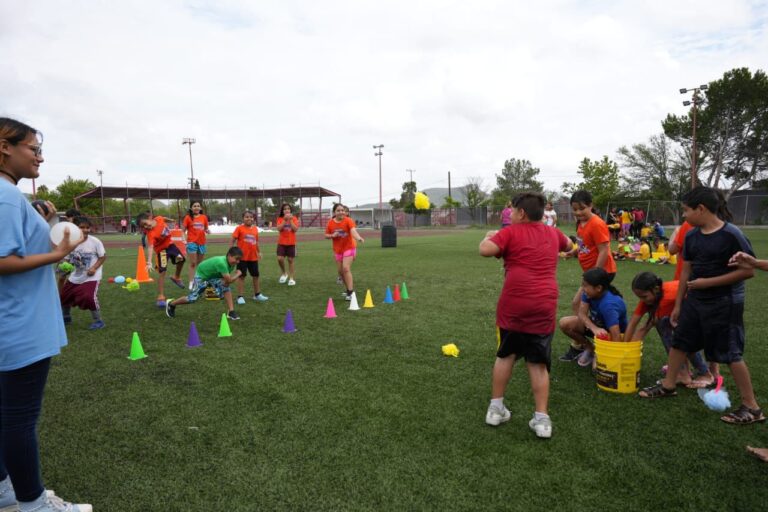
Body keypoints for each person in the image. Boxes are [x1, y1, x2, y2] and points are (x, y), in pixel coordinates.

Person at [0, 117, 92, 511]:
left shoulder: (10, 197)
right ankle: (34, 506)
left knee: (7, 417)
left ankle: (5, 493)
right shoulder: (5, 197)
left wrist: (48, 225)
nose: (40, 157)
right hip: (19, 325)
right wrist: (57, 253)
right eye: (34, 149)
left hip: (13, 320)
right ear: (5, 147)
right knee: (18, 421)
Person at [638, 186, 763, 426]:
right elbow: (686, 269)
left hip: (725, 303)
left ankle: (752, 407)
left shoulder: (732, 235)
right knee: (680, 341)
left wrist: (708, 283)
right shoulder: (693, 235)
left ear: (701, 209)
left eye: (686, 210)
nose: (684, 216)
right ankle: (668, 386)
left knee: (731, 353)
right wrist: (678, 304)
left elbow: (747, 271)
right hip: (695, 301)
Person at [479, 192, 571, 439]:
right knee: (538, 363)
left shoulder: (511, 231)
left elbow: (485, 250)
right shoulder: (553, 233)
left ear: (520, 212)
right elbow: (571, 246)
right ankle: (542, 420)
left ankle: (495, 409)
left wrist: (487, 236)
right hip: (543, 305)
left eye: (513, 211)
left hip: (513, 305)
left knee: (505, 355)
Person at [623, 272, 713, 387]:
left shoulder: (668, 297)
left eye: (644, 296)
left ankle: (705, 374)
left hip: (702, 312)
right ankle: (683, 373)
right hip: (683, 313)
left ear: (655, 289)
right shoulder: (651, 297)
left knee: (685, 341)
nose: (642, 300)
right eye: (640, 297)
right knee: (664, 326)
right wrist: (624, 347)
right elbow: (633, 323)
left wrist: (627, 352)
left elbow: (644, 328)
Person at [560, 190, 617, 362]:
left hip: (602, 273)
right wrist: (573, 252)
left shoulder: (597, 224)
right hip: (590, 274)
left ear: (591, 205)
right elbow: (585, 246)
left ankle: (587, 344)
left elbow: (604, 251)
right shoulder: (581, 223)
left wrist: (595, 276)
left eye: (582, 208)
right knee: (580, 305)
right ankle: (585, 343)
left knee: (579, 304)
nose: (578, 212)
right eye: (575, 209)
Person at [559, 268, 627, 368]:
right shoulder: (588, 294)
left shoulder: (609, 305)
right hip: (598, 330)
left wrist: (611, 357)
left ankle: (600, 352)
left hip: (614, 337)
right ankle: (591, 349)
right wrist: (594, 328)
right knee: (564, 323)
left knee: (598, 369)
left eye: (585, 285)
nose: (583, 288)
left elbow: (616, 336)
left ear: (598, 288)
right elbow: (582, 314)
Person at [165, 247, 243, 320]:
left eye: (239, 260)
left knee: (226, 288)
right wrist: (238, 274)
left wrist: (223, 285)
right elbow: (229, 280)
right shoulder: (222, 263)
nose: (238, 262)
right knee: (192, 298)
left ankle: (231, 311)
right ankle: (171, 304)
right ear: (229, 255)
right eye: (236, 259)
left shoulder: (231, 264)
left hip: (213, 276)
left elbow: (226, 282)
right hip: (202, 275)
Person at [60, 216, 107, 330]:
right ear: (75, 228)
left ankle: (98, 321)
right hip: (76, 275)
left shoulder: (95, 241)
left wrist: (94, 268)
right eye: (82, 227)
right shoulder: (70, 242)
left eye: (87, 227)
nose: (85, 230)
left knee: (88, 296)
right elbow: (66, 259)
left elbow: (103, 257)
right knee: (65, 296)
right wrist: (65, 267)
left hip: (92, 276)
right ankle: (66, 317)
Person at [136, 212, 186, 307]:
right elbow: (150, 247)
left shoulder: (159, 219)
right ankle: (161, 296)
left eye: (146, 223)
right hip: (162, 251)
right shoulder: (150, 234)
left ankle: (176, 277)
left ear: (150, 218)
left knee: (182, 259)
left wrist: (170, 220)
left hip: (171, 245)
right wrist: (149, 262)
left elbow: (163, 218)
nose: (146, 227)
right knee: (162, 272)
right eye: (143, 226)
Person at [325, 203, 364, 301]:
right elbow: (326, 235)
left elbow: (353, 231)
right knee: (341, 272)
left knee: (346, 268)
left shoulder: (348, 220)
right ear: (334, 212)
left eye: (342, 210)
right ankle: (348, 290)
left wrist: (358, 238)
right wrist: (332, 235)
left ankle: (351, 293)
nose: (341, 212)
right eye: (338, 210)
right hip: (338, 250)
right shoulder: (330, 223)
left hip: (349, 248)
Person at [231, 210, 268, 304]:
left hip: (253, 257)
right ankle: (240, 297)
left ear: (253, 218)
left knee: (256, 275)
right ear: (243, 218)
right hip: (242, 258)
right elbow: (233, 240)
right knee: (241, 276)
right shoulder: (239, 228)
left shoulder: (255, 229)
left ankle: (257, 294)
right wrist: (231, 252)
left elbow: (256, 242)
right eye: (247, 217)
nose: (249, 218)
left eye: (251, 217)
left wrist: (259, 252)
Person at [183, 201, 210, 289]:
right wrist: (184, 239)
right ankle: (191, 282)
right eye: (194, 206)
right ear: (191, 208)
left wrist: (207, 231)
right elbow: (182, 230)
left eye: (198, 206)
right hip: (191, 242)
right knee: (193, 263)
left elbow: (206, 228)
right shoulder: (187, 217)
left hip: (202, 243)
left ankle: (198, 280)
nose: (196, 207)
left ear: (201, 208)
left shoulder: (204, 217)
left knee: (200, 264)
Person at [276, 203, 299, 286]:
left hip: (291, 243)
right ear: (282, 211)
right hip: (281, 242)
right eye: (285, 209)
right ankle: (284, 273)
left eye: (288, 209)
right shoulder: (280, 218)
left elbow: (295, 229)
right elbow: (279, 228)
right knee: (280, 259)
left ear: (290, 210)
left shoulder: (295, 218)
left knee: (290, 260)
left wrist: (291, 220)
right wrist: (285, 220)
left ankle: (291, 278)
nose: (287, 210)